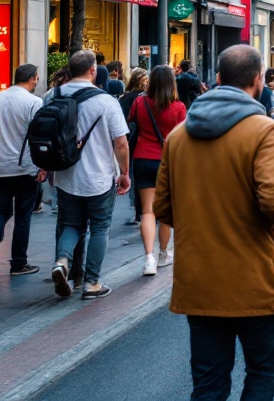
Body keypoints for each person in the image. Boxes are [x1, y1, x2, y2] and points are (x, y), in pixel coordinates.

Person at [155, 44, 274, 401]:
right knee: (261, 374)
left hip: (200, 282)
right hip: (256, 280)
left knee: (208, 383)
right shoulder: (265, 131)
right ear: (258, 81)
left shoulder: (178, 137)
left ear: (217, 79)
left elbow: (162, 206)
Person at [49, 50, 131, 300]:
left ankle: (62, 261)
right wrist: (125, 173)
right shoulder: (106, 101)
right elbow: (121, 143)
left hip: (65, 176)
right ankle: (92, 282)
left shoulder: (52, 96)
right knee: (99, 227)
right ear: (93, 70)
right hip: (99, 176)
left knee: (71, 224)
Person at [0, 64, 45, 278]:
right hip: (26, 166)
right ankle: (18, 263)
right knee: (23, 216)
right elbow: (39, 135)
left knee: (1, 211)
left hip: (0, 167)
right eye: (36, 79)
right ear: (31, 79)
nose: (36, 82)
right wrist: (43, 165)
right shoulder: (34, 102)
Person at [128, 65, 186, 275]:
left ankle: (148, 259)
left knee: (147, 211)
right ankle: (163, 254)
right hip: (167, 161)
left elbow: (131, 125)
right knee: (165, 211)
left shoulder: (139, 102)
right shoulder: (178, 107)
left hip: (142, 158)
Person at [118, 67, 148, 226]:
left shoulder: (125, 98)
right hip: (144, 141)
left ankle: (137, 210)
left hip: (129, 140)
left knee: (134, 175)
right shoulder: (148, 98)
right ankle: (147, 209)